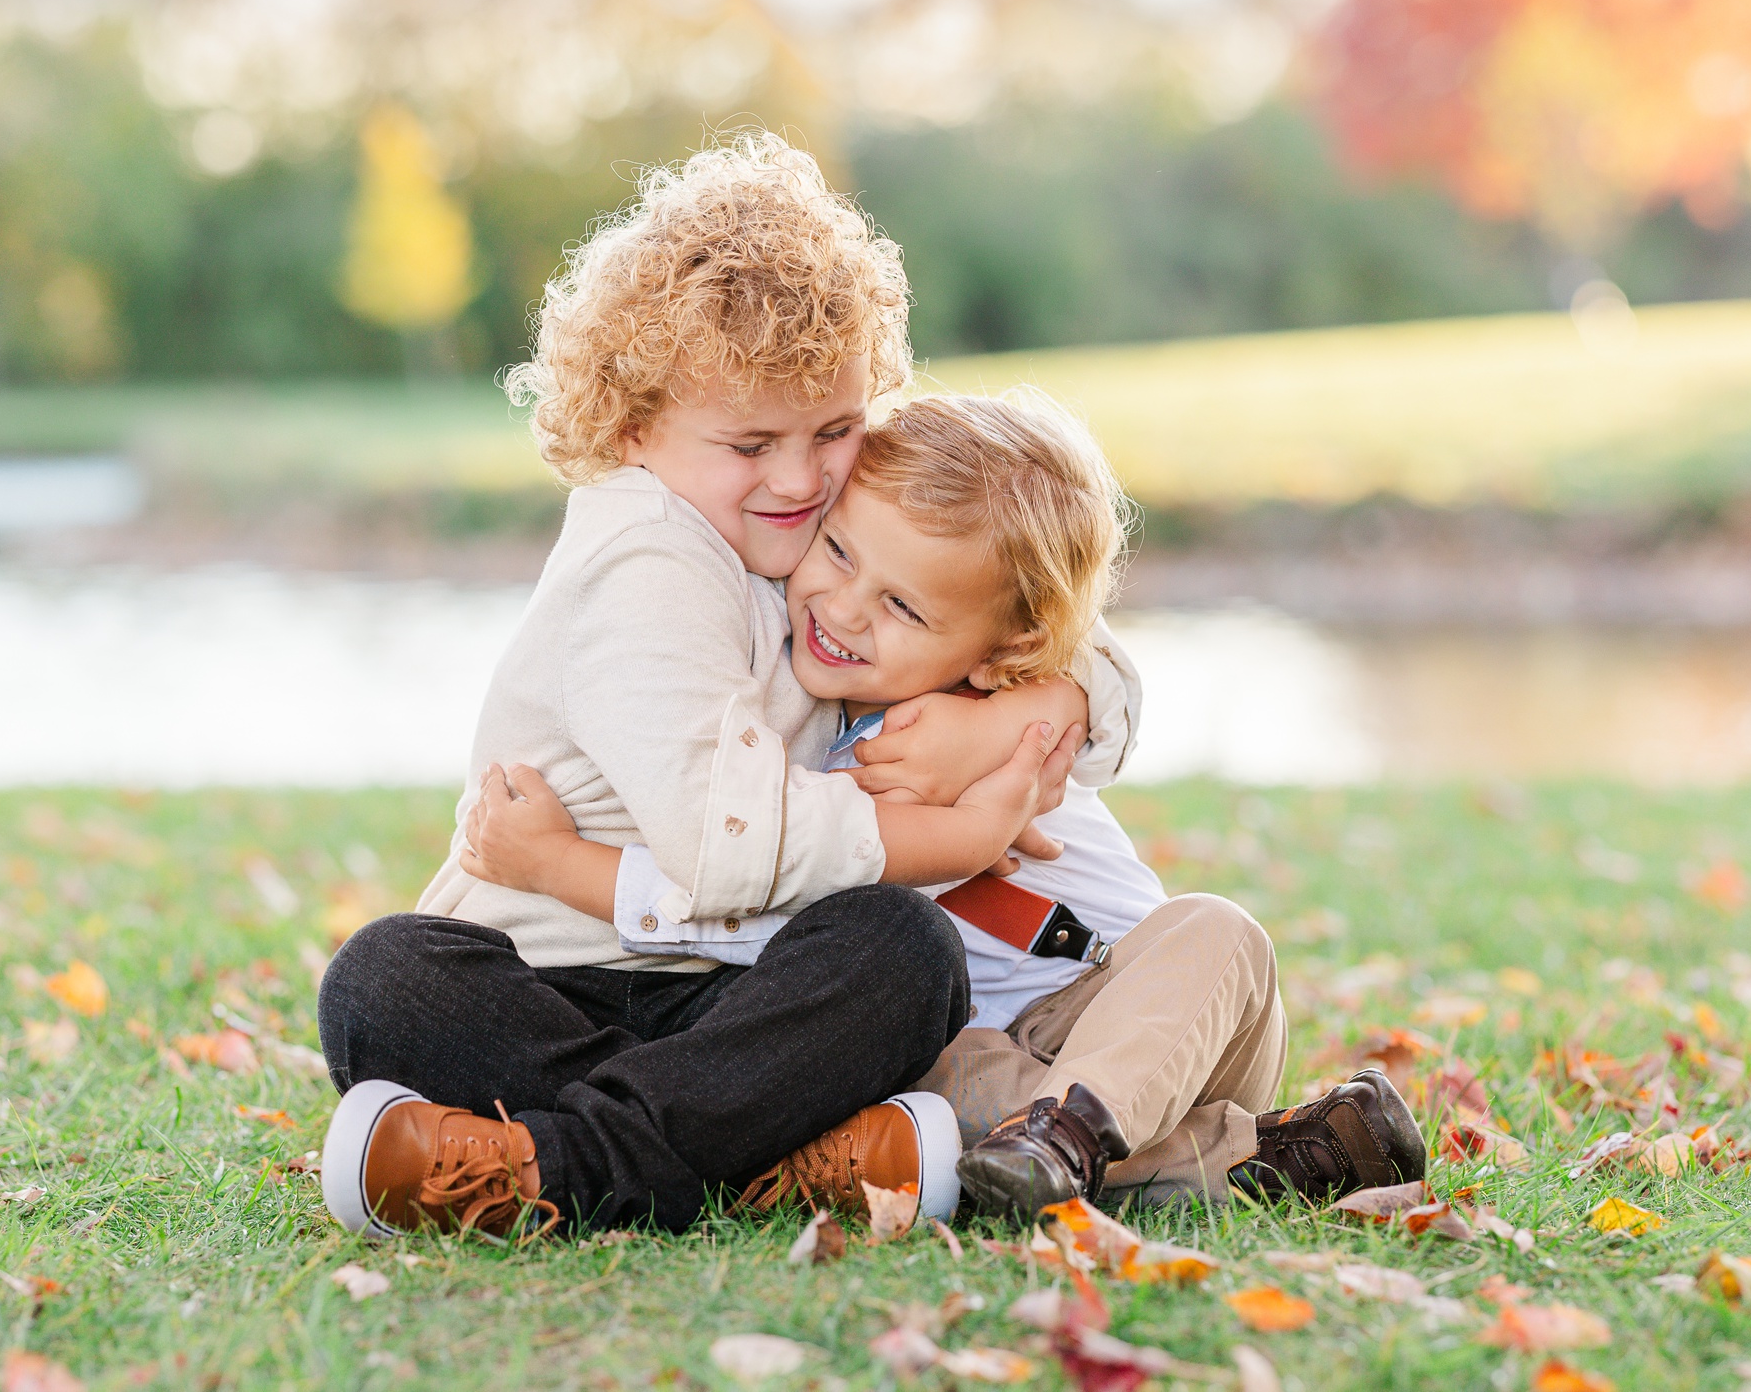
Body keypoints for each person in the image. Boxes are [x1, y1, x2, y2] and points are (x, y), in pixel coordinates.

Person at [314, 136, 1140, 1238]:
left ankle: (565, 1157)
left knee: (900, 954)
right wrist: (962, 824)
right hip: (560, 972)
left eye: (835, 430)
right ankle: (741, 1149)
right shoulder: (645, 565)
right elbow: (726, 838)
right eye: (751, 440)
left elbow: (1024, 604)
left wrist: (1042, 705)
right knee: (386, 979)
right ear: (632, 423)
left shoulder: (810, 532)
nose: (798, 477)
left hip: (741, 985)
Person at [461, 392, 1425, 1218]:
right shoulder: (795, 742)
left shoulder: (1005, 713)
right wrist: (557, 866)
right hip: (999, 1071)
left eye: (905, 608)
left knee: (1219, 929)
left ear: (1003, 652)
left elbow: (1110, 681)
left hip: (1167, 1019)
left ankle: (1078, 1131)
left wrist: (1029, 713)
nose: (842, 608)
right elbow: (750, 914)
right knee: (914, 1070)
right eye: (836, 553)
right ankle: (1234, 1158)